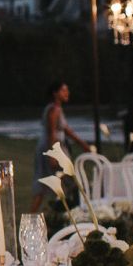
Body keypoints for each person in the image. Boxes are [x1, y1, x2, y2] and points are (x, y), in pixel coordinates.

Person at [32, 81, 91, 211]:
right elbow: (51, 132)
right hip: (51, 147)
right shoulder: (53, 110)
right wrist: (53, 154)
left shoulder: (57, 109)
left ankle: (63, 212)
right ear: (55, 93)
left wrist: (83, 144)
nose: (67, 93)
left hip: (55, 147)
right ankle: (38, 215)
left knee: (62, 182)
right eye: (64, 90)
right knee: (50, 182)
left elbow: (67, 130)